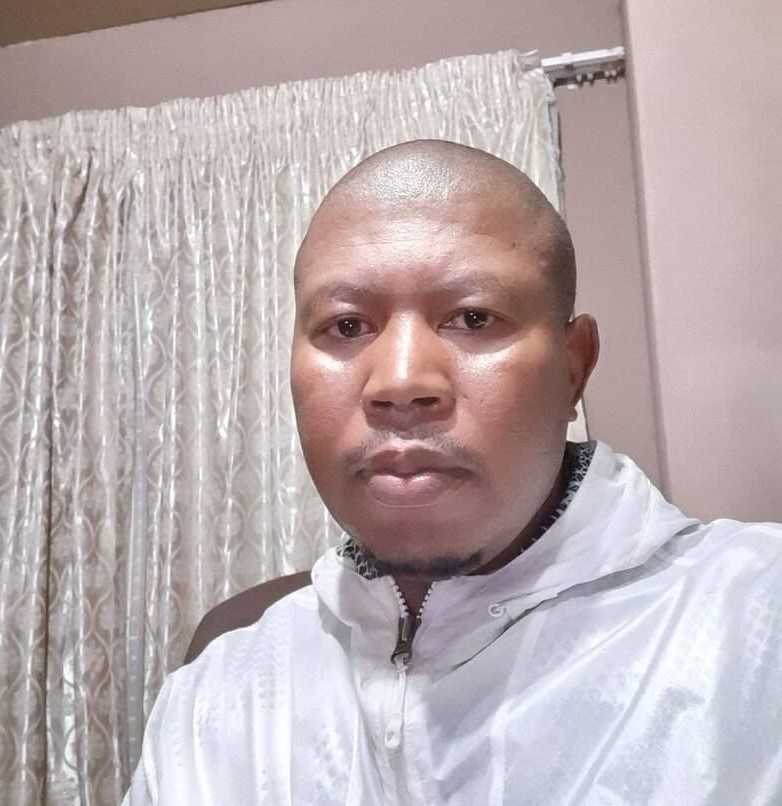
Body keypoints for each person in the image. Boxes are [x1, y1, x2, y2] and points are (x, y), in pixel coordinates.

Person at [124, 140, 782, 804]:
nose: (400, 382)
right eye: (347, 326)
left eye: (473, 318)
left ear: (573, 365)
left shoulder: (752, 626)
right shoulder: (213, 706)